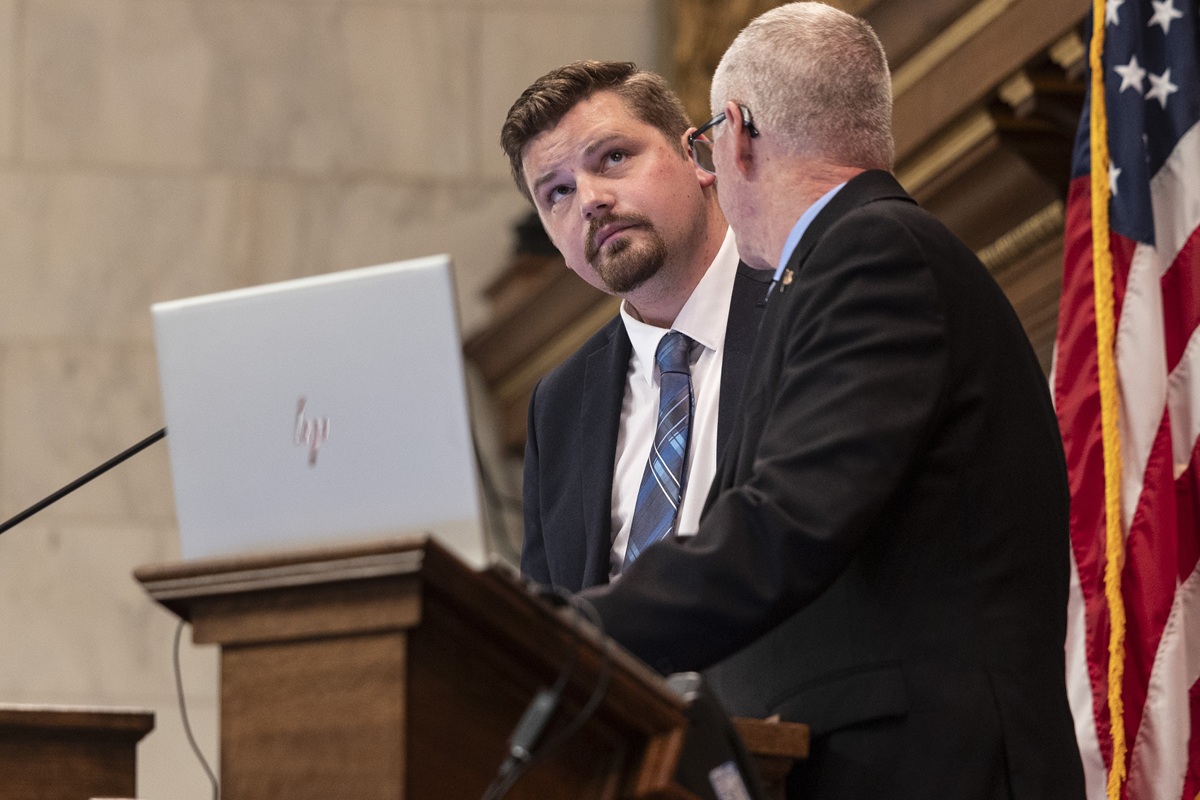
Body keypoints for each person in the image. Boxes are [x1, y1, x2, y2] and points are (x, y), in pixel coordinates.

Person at [578, 4, 1087, 799]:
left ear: (739, 132)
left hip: (932, 771)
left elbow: (787, 519)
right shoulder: (845, 263)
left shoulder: (873, 252)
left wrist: (578, 632)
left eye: (704, 141)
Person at [501, 62, 769, 590]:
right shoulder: (558, 404)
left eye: (614, 157)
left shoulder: (804, 301)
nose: (590, 201)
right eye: (557, 193)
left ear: (698, 156)